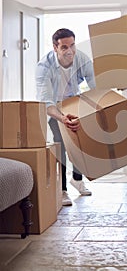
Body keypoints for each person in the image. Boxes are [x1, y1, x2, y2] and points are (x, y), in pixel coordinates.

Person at [36, 28, 96, 206]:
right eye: (64, 47)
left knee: (78, 143)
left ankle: (77, 179)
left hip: (73, 102)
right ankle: (62, 190)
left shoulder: (81, 59)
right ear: (55, 48)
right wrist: (62, 118)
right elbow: (46, 103)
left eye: (72, 45)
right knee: (61, 146)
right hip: (54, 106)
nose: (69, 51)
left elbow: (95, 87)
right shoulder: (44, 67)